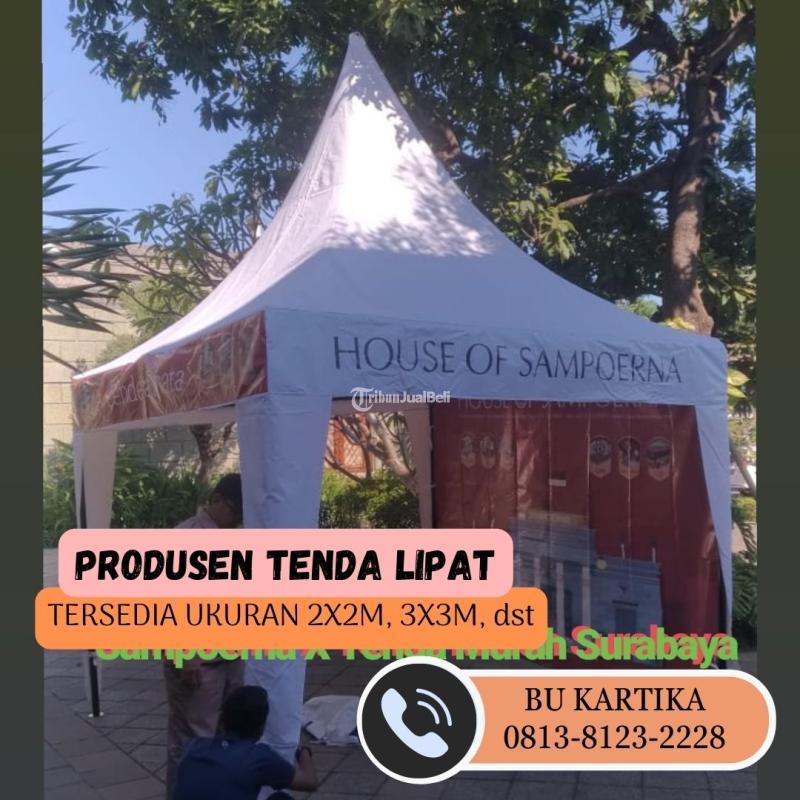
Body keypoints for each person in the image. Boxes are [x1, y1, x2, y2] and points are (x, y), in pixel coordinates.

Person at [165, 474, 246, 798]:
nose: (238, 519)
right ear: (216, 500)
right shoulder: (186, 537)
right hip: (198, 660)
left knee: (229, 733)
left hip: (231, 654)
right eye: (235, 511)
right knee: (193, 739)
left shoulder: (235, 537)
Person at [173, 685, 319, 800]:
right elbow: (309, 782)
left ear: (222, 720)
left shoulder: (194, 746)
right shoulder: (258, 757)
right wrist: (304, 752)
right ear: (261, 728)